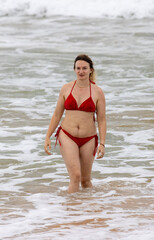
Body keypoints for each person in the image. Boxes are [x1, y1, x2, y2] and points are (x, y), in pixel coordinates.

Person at [44, 54, 107, 194]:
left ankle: (88, 210)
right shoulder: (66, 88)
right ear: (74, 70)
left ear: (91, 70)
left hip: (89, 138)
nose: (81, 71)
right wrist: (48, 136)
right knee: (75, 176)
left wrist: (102, 143)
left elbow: (102, 119)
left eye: (84, 68)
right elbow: (57, 114)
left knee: (85, 180)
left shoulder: (98, 92)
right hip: (67, 135)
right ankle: (71, 211)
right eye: (78, 68)